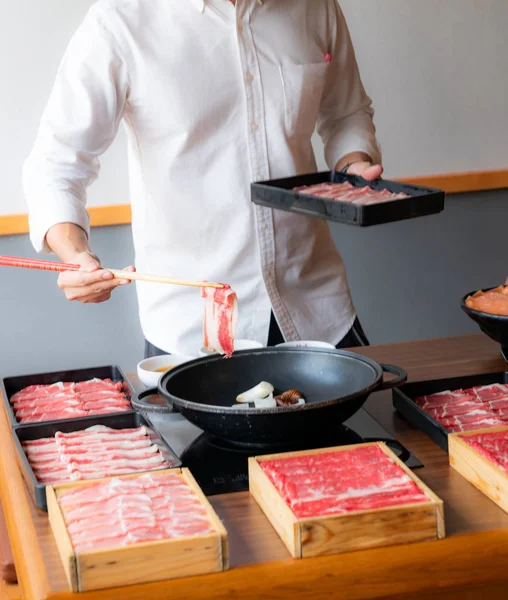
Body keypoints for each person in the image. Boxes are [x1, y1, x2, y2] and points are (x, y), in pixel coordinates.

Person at [23, 0, 381, 358]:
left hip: (317, 310)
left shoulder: (315, 7)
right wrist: (76, 255)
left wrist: (353, 165)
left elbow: (347, 114)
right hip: (193, 330)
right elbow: (57, 162)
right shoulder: (120, 18)